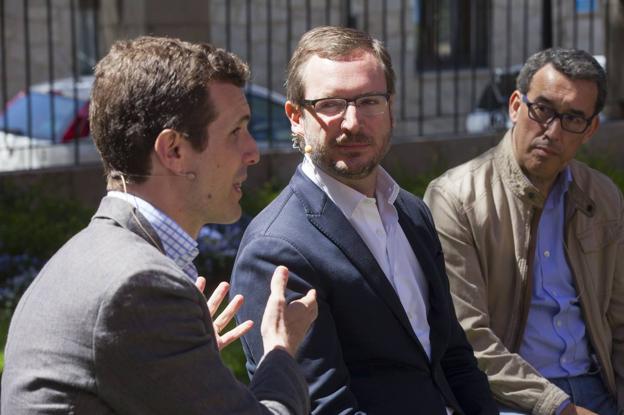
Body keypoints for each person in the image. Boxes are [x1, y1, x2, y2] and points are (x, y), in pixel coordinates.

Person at [1, 36, 317, 414]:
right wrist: (280, 349)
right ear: (174, 151)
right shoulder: (138, 287)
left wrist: (186, 362)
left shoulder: (85, 257)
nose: (253, 152)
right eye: (236, 131)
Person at [230, 26, 497, 415]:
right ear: (295, 117)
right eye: (331, 104)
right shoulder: (276, 250)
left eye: (369, 101)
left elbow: (453, 357)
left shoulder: (411, 213)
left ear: (391, 107)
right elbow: (323, 407)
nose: (353, 123)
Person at [424, 48, 623, 415]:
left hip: (599, 385)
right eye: (542, 110)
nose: (552, 131)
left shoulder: (603, 196)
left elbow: (620, 321)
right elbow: (468, 338)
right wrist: (560, 408)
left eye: (573, 118)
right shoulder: (455, 198)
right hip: (511, 396)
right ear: (516, 106)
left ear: (591, 129)